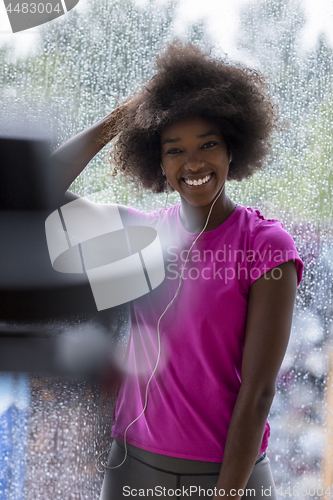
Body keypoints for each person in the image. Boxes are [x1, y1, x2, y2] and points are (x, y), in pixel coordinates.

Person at [51, 42, 303, 499]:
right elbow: (38, 192)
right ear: (158, 162)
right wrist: (123, 116)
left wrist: (225, 494)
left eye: (208, 144)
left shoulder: (265, 246)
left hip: (231, 478)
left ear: (233, 149)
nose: (193, 163)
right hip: (133, 467)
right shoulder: (142, 237)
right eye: (174, 150)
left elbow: (259, 396)